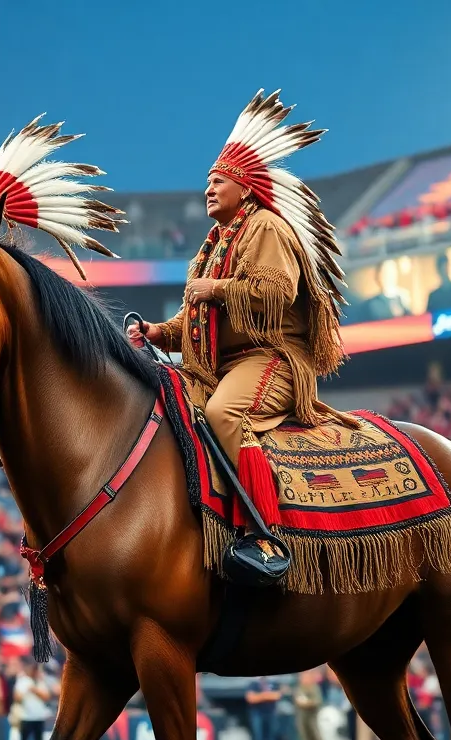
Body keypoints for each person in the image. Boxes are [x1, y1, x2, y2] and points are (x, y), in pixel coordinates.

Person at [127, 91, 353, 562]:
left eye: (217, 182)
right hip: (220, 365)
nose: (207, 190)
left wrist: (217, 289)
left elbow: (276, 292)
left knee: (225, 415)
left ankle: (265, 536)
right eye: (206, 183)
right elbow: (197, 315)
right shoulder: (215, 240)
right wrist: (158, 333)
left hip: (270, 359)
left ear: (246, 188)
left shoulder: (266, 227)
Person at [12, 661, 53, 740]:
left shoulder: (40, 682)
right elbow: (17, 697)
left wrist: (34, 690)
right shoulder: (23, 681)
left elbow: (46, 696)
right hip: (26, 717)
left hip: (38, 717)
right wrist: (26, 691)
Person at [292, 669, 329, 740]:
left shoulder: (314, 688)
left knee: (316, 735)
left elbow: (318, 701)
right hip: (302, 715)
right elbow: (296, 700)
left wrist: (308, 703)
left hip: (312, 715)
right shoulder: (299, 688)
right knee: (305, 736)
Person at [245, 676, 282, 740]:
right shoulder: (253, 684)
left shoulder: (273, 683)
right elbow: (251, 698)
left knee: (271, 736)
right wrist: (266, 695)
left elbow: (277, 695)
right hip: (257, 713)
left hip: (271, 713)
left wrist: (261, 696)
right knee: (258, 736)